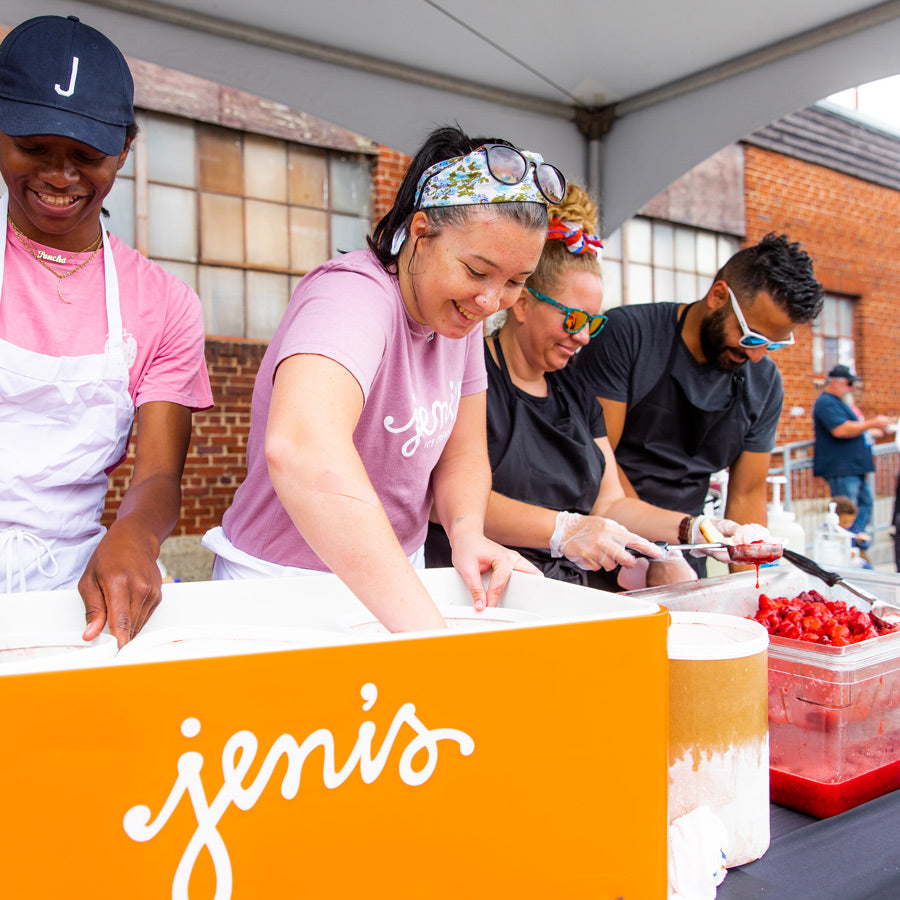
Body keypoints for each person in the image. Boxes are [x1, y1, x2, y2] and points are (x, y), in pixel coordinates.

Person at [203, 127, 564, 631]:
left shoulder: (459, 320)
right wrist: (424, 629)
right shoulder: (352, 296)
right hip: (284, 589)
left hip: (396, 582)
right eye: (477, 271)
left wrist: (466, 532)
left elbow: (462, 453)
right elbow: (304, 449)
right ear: (420, 232)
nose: (490, 301)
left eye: (515, 283)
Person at [426, 184, 764, 588]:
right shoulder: (471, 374)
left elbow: (611, 502)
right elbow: (446, 499)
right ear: (522, 302)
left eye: (593, 321)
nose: (584, 336)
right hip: (480, 591)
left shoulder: (575, 390)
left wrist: (693, 529)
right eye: (572, 319)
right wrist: (563, 530)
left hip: (571, 594)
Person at [0, 16, 213, 645]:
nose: (60, 176)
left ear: (124, 149)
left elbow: (156, 477)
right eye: (33, 148)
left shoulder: (164, 305)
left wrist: (135, 538)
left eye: (87, 157)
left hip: (75, 587)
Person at [564, 232, 824, 577]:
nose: (756, 355)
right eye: (752, 337)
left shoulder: (764, 383)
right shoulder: (629, 336)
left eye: (771, 345)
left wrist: (749, 594)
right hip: (600, 548)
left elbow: (746, 494)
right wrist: (656, 552)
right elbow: (597, 462)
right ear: (718, 296)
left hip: (688, 549)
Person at [813, 364, 890, 543]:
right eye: (849, 383)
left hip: (853, 467)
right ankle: (846, 545)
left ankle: (854, 544)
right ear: (835, 382)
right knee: (846, 513)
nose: (852, 388)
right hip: (842, 468)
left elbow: (855, 429)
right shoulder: (826, 402)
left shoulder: (838, 402)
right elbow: (840, 430)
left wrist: (875, 429)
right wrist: (871, 423)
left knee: (864, 506)